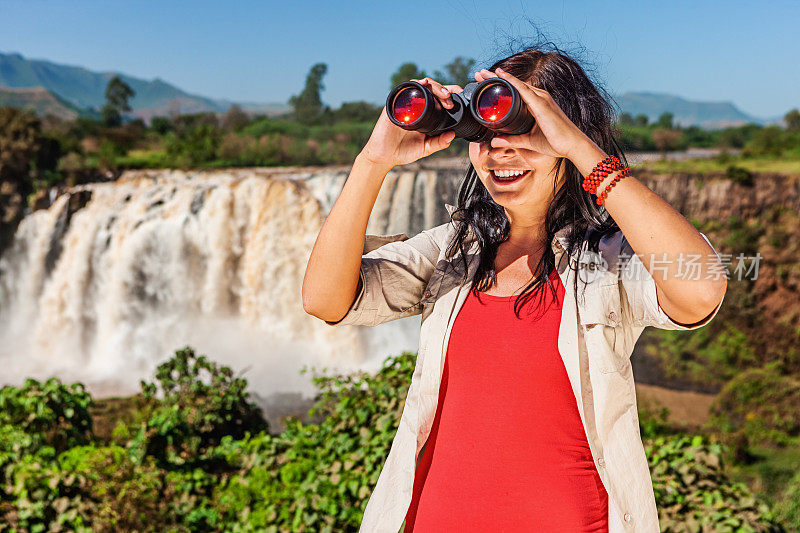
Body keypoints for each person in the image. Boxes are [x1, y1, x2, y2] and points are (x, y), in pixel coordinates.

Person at [302, 46, 727, 533]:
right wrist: (373, 159)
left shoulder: (607, 263)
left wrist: (584, 150)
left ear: (566, 136)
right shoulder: (452, 254)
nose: (499, 150)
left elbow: (700, 290)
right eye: (481, 132)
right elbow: (324, 299)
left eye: (527, 129)